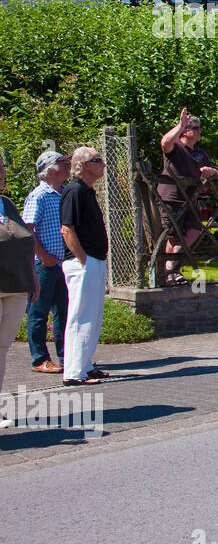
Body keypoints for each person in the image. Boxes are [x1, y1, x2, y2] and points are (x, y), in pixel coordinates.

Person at [60, 146, 111, 385]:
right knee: (80, 316)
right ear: (84, 164)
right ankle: (73, 371)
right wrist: (84, 260)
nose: (102, 163)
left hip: (94, 260)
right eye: (97, 159)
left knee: (92, 315)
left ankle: (85, 364)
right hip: (83, 263)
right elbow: (67, 229)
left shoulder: (87, 191)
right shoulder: (74, 190)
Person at [158, 107, 218, 286]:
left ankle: (170, 267)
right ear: (186, 131)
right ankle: (170, 273)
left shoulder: (200, 152)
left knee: (194, 231)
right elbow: (164, 143)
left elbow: (214, 170)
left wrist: (211, 171)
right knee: (173, 235)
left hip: (190, 198)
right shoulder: (176, 147)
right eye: (196, 128)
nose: (200, 131)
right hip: (171, 197)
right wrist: (180, 124)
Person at [0, 153, 41, 422]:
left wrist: (33, 277)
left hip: (16, 286)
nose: (1, 173)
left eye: (1, 168)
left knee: (2, 350)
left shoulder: (6, 204)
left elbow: (25, 242)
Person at [22, 150, 70, 373]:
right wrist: (42, 256)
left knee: (63, 311)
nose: (67, 165)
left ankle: (65, 356)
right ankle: (40, 359)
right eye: (62, 162)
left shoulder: (63, 193)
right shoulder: (38, 196)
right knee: (39, 312)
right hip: (44, 265)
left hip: (62, 263)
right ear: (49, 169)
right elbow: (28, 229)